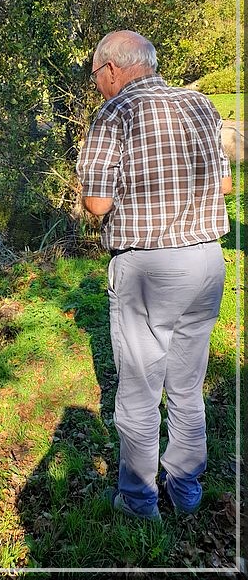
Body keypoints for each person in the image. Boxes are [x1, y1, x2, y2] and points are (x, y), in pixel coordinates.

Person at [76, 30, 232, 521]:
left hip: (148, 266)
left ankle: (140, 500)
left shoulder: (113, 113)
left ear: (114, 69)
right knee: (187, 383)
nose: (98, 85)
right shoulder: (200, 104)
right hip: (206, 261)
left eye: (97, 75)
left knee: (141, 388)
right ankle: (186, 489)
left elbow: (98, 203)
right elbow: (224, 185)